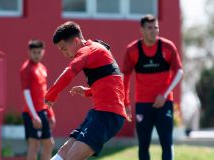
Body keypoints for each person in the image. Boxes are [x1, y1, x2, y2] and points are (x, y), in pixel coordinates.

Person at [45, 21, 128, 160]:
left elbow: (70, 72)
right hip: (99, 113)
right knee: (64, 152)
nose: (64, 54)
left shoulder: (88, 50)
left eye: (64, 48)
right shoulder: (96, 49)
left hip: (108, 114)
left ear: (76, 41)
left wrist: (50, 95)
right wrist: (89, 91)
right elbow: (114, 80)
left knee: (72, 157)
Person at [122, 14, 183, 160]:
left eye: (156, 27)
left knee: (167, 143)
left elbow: (179, 71)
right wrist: (125, 102)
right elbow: (126, 76)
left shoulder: (168, 47)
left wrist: (165, 94)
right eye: (150, 28)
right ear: (141, 30)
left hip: (165, 102)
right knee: (143, 145)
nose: (154, 31)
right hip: (143, 105)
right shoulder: (132, 50)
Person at [20, 39, 56, 160]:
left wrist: (50, 112)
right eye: (34, 52)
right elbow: (26, 93)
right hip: (31, 113)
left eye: (39, 52)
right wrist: (34, 115)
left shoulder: (43, 68)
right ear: (29, 52)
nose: (37, 55)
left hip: (43, 111)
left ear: (43, 52)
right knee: (34, 146)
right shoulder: (26, 69)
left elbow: (44, 93)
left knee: (49, 144)